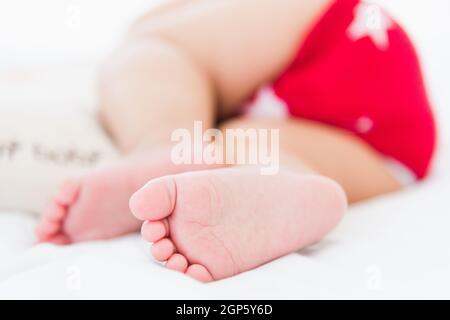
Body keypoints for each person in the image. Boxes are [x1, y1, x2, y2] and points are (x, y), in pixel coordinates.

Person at [35, 0, 436, 282]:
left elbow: (162, 52)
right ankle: (281, 184)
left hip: (332, 31)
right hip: (392, 152)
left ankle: (162, 148)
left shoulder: (164, 21)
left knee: (152, 52)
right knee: (249, 152)